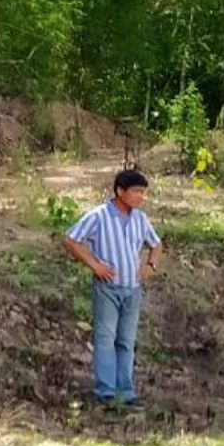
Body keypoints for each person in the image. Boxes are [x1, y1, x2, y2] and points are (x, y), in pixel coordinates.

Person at [61, 169, 163, 408]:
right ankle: (106, 391)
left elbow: (156, 244)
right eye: (136, 191)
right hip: (107, 287)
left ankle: (125, 392)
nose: (141, 197)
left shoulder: (140, 219)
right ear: (120, 191)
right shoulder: (99, 216)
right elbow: (70, 239)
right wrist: (94, 265)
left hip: (132, 288)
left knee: (126, 340)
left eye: (143, 192)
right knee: (106, 338)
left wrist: (151, 266)